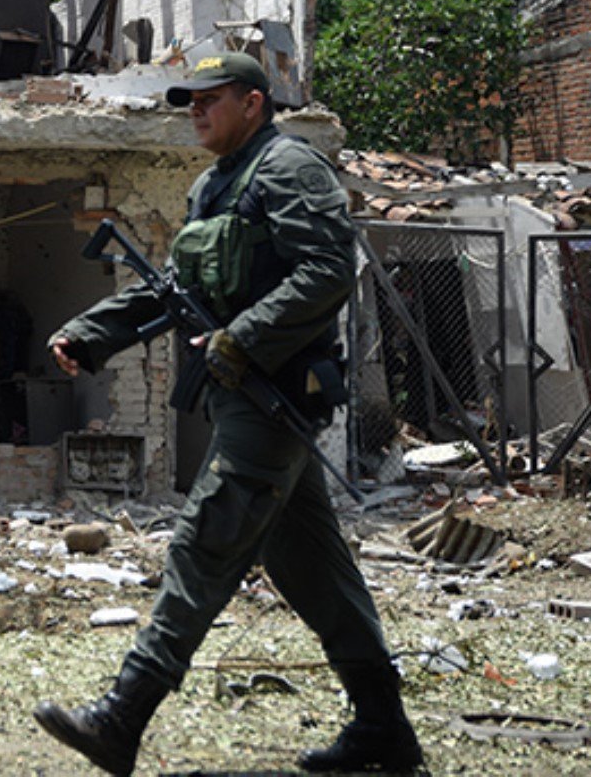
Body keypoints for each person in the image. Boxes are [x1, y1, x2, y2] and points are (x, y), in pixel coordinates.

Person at [33, 52, 423, 776]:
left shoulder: (289, 168)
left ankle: (123, 717)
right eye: (190, 101)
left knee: (204, 544)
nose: (196, 111)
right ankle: (383, 730)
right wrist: (92, 332)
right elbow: (177, 289)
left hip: (273, 396)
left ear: (252, 102)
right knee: (312, 572)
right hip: (238, 395)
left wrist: (243, 337)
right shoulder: (213, 186)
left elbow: (328, 271)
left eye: (210, 99)